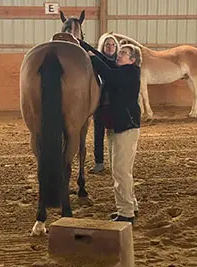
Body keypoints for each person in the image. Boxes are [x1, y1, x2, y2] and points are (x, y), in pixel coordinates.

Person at [79, 39, 142, 224]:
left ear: (132, 60)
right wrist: (84, 45)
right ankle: (131, 206)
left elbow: (108, 73)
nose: (118, 54)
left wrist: (91, 58)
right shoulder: (123, 70)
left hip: (126, 128)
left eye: (123, 53)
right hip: (116, 126)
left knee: (121, 171)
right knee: (121, 170)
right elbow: (105, 61)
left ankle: (126, 213)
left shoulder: (130, 73)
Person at [89, 35, 119, 174]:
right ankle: (99, 162)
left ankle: (115, 162)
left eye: (112, 44)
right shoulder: (96, 61)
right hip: (100, 104)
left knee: (114, 136)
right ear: (103, 46)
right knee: (98, 134)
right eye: (107, 44)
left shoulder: (119, 62)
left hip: (114, 105)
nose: (110, 47)